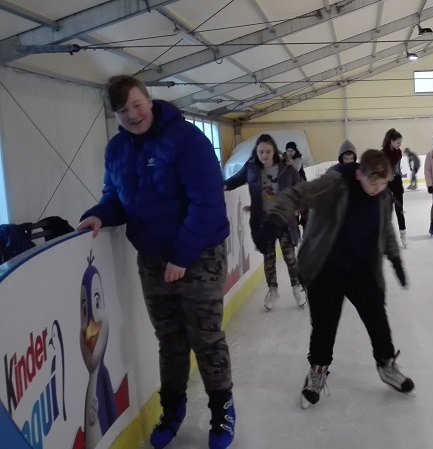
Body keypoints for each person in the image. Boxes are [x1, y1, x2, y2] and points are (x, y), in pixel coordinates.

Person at [76, 75, 235, 449]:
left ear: (149, 100)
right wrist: (100, 214)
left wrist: (181, 256)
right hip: (152, 260)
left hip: (199, 256)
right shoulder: (116, 150)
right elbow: (115, 197)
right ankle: (172, 411)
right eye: (122, 110)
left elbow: (208, 203)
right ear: (114, 115)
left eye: (136, 105)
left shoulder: (187, 140)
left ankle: (221, 412)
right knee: (170, 341)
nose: (132, 115)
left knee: (206, 338)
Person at [256, 149, 414, 409]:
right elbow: (296, 194)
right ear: (359, 174)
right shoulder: (334, 185)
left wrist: (395, 258)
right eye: (373, 184)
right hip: (326, 267)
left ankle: (387, 365)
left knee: (377, 319)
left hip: (362, 269)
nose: (377, 189)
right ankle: (317, 371)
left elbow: (385, 229)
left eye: (383, 184)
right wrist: (274, 219)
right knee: (324, 327)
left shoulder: (383, 196)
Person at [224, 134, 306, 311]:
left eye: (268, 151)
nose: (264, 155)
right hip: (264, 222)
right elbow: (235, 180)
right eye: (261, 152)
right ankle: (273, 290)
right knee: (268, 259)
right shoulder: (251, 168)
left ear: (274, 151)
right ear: (257, 152)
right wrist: (221, 185)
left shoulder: (286, 168)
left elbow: (300, 186)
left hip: (284, 220)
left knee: (290, 258)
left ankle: (296, 287)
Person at [381, 128, 407, 248]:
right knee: (386, 211)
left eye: (400, 143)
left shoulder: (399, 153)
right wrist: (387, 176)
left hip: (396, 182)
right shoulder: (382, 153)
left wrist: (398, 182)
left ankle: (403, 234)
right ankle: (384, 238)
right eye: (398, 142)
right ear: (391, 141)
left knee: (399, 209)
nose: (399, 145)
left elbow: (398, 169)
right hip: (385, 183)